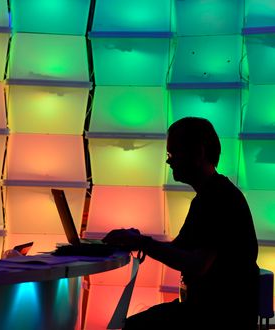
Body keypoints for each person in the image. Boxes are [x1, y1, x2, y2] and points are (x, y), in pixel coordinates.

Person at [103, 117, 259, 330]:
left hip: (216, 315)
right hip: (216, 310)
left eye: (173, 153)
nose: (169, 161)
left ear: (198, 152)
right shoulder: (213, 195)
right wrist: (138, 241)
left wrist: (143, 242)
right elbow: (180, 250)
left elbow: (196, 263)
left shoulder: (216, 199)